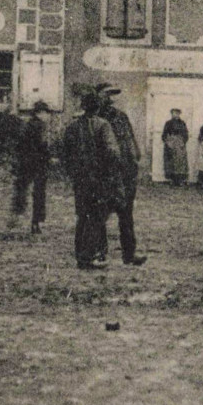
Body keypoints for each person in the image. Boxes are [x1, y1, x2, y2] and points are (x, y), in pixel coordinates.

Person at [62, 87, 121, 270]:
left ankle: (87, 254)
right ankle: (90, 256)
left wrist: (73, 171)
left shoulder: (72, 126)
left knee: (82, 216)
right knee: (97, 216)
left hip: (80, 179)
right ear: (97, 108)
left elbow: (64, 153)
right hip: (99, 178)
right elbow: (113, 152)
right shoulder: (103, 125)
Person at [100, 86, 147, 267]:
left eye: (112, 96)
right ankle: (100, 253)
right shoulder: (96, 120)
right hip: (106, 173)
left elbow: (131, 140)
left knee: (126, 215)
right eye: (107, 95)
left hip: (125, 173)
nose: (111, 99)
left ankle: (129, 254)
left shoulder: (121, 116)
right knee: (100, 215)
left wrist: (134, 160)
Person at [10, 101, 51, 233]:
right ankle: (36, 222)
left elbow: (18, 145)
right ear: (40, 113)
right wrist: (49, 158)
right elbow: (43, 145)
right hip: (38, 164)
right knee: (38, 194)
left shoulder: (26, 125)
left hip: (24, 163)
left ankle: (16, 218)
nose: (48, 116)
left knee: (21, 191)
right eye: (46, 113)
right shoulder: (41, 126)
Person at [161, 109, 190, 188]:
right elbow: (164, 134)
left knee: (180, 162)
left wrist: (182, 142)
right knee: (170, 162)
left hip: (179, 144)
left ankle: (180, 180)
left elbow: (186, 134)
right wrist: (168, 142)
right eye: (174, 113)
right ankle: (172, 180)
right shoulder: (168, 123)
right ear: (171, 114)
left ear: (179, 114)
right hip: (170, 144)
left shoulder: (182, 123)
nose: (175, 115)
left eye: (177, 113)